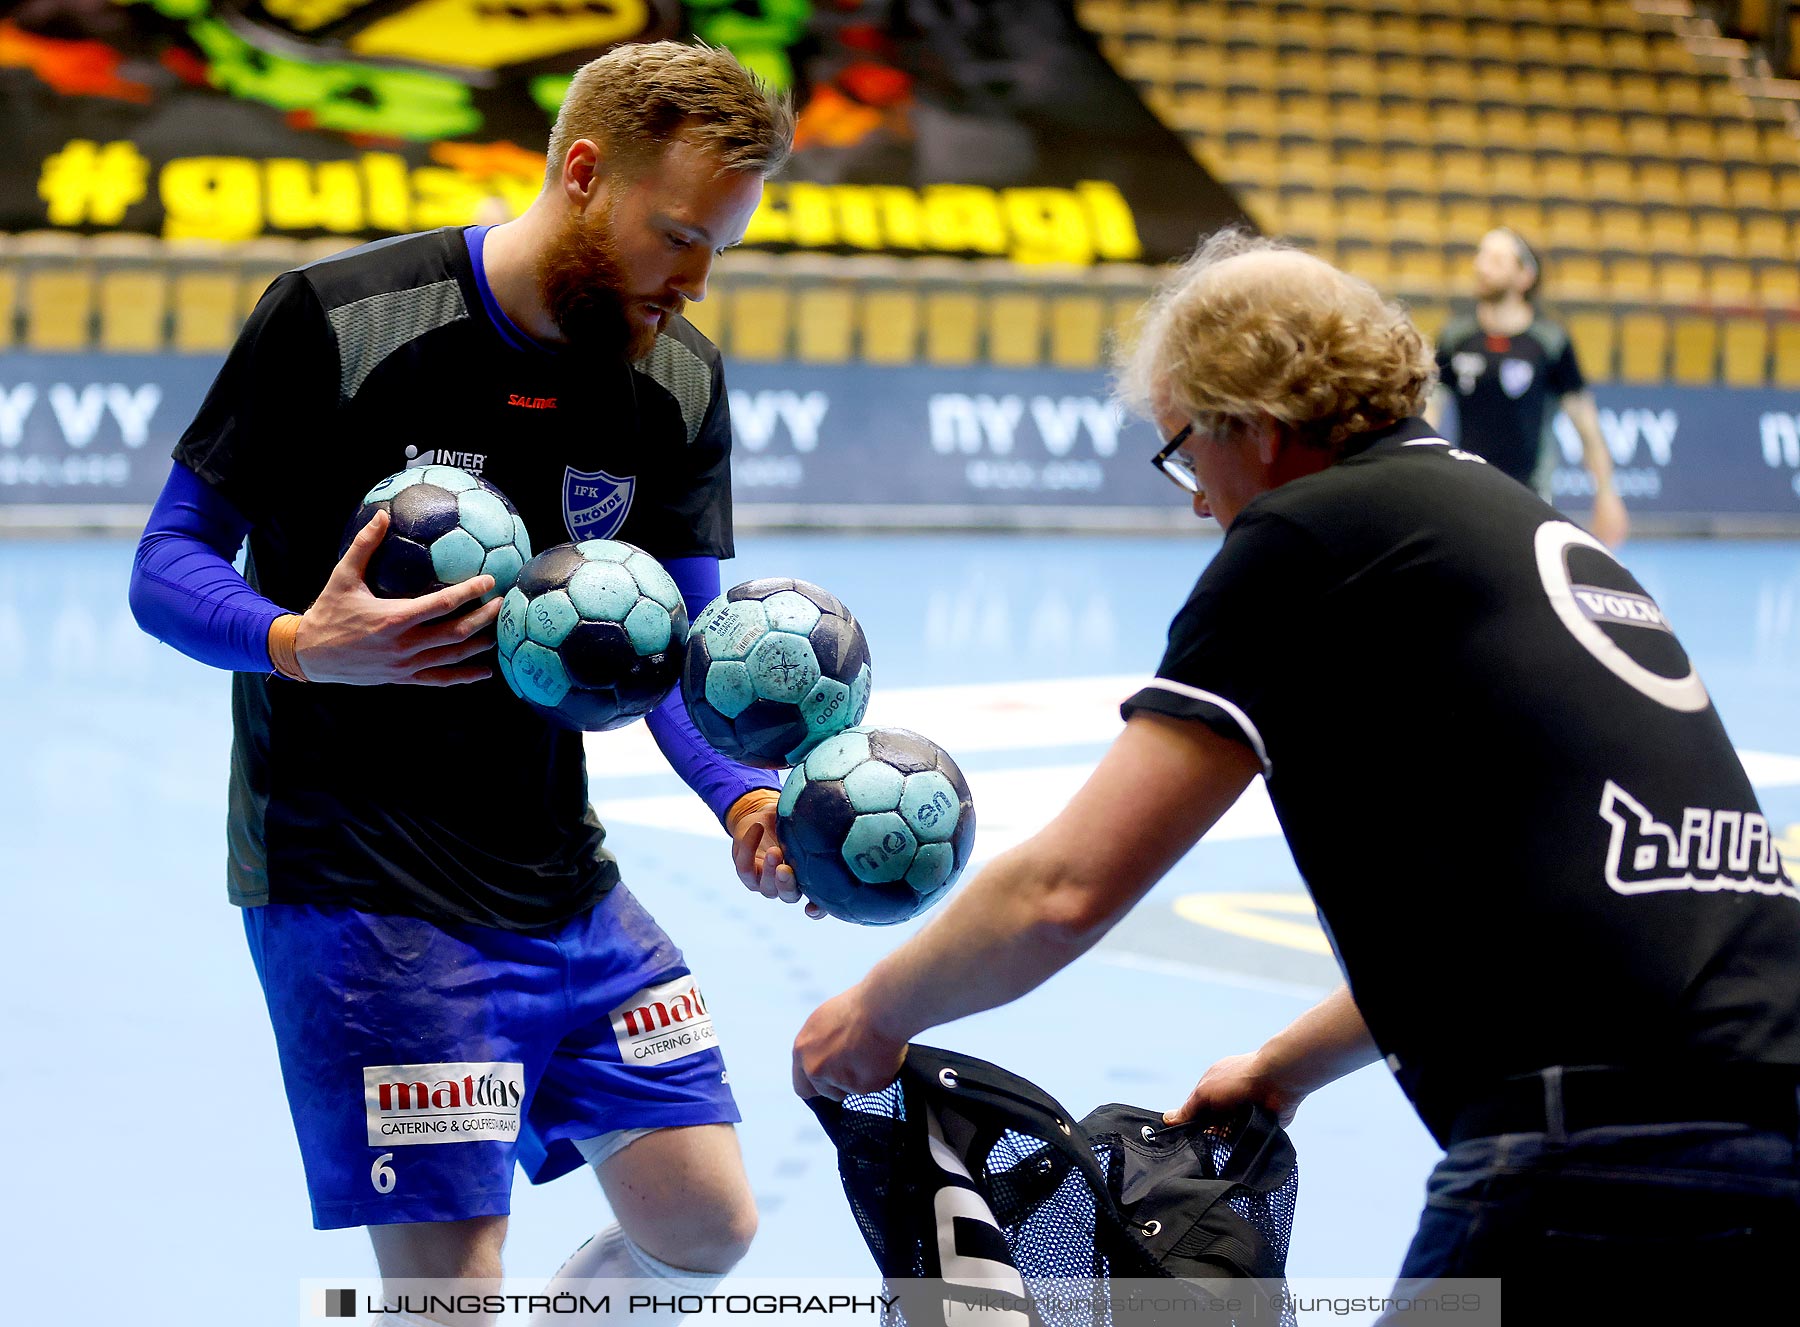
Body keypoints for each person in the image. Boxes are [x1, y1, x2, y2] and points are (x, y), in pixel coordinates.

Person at [790, 231, 1800, 1314]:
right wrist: (1286, 1064)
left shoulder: (1313, 537)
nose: (1192, 497)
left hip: (1605, 1148)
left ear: (1256, 429)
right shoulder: (1501, 520)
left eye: (1183, 448)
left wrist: (872, 1014)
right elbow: (1526, 910)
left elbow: (1064, 892)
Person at [129, 42, 803, 1326]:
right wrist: (297, 641)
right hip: (357, 882)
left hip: (559, 871)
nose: (697, 279)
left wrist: (746, 799)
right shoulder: (340, 318)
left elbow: (685, 655)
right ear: (583, 172)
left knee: (704, 1224)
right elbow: (164, 564)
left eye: (721, 246)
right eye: (678, 234)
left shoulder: (676, 377)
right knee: (451, 1294)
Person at [1428, 227, 1628, 548]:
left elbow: (1586, 425)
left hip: (1531, 496)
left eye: (1495, 259)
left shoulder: (1550, 342)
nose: (1481, 266)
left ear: (1525, 276)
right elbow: (1430, 411)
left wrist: (1606, 492)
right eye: (1480, 256)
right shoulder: (1455, 337)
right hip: (1468, 491)